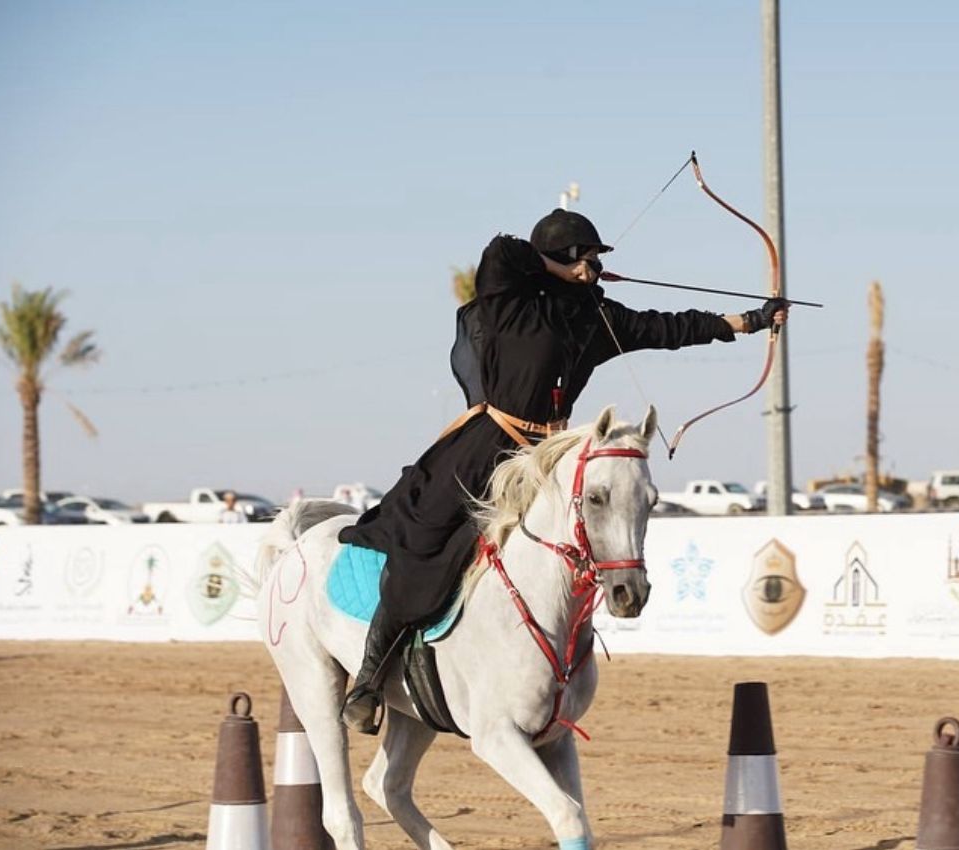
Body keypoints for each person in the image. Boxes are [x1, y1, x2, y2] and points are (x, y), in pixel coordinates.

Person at [337, 208, 787, 734]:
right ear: (565, 257)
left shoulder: (594, 319)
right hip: (488, 445)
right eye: (588, 257)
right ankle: (369, 681)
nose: (594, 267)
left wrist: (747, 322)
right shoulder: (511, 302)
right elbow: (501, 252)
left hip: (550, 453)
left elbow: (668, 327)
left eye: (596, 259)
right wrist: (560, 265)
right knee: (425, 542)